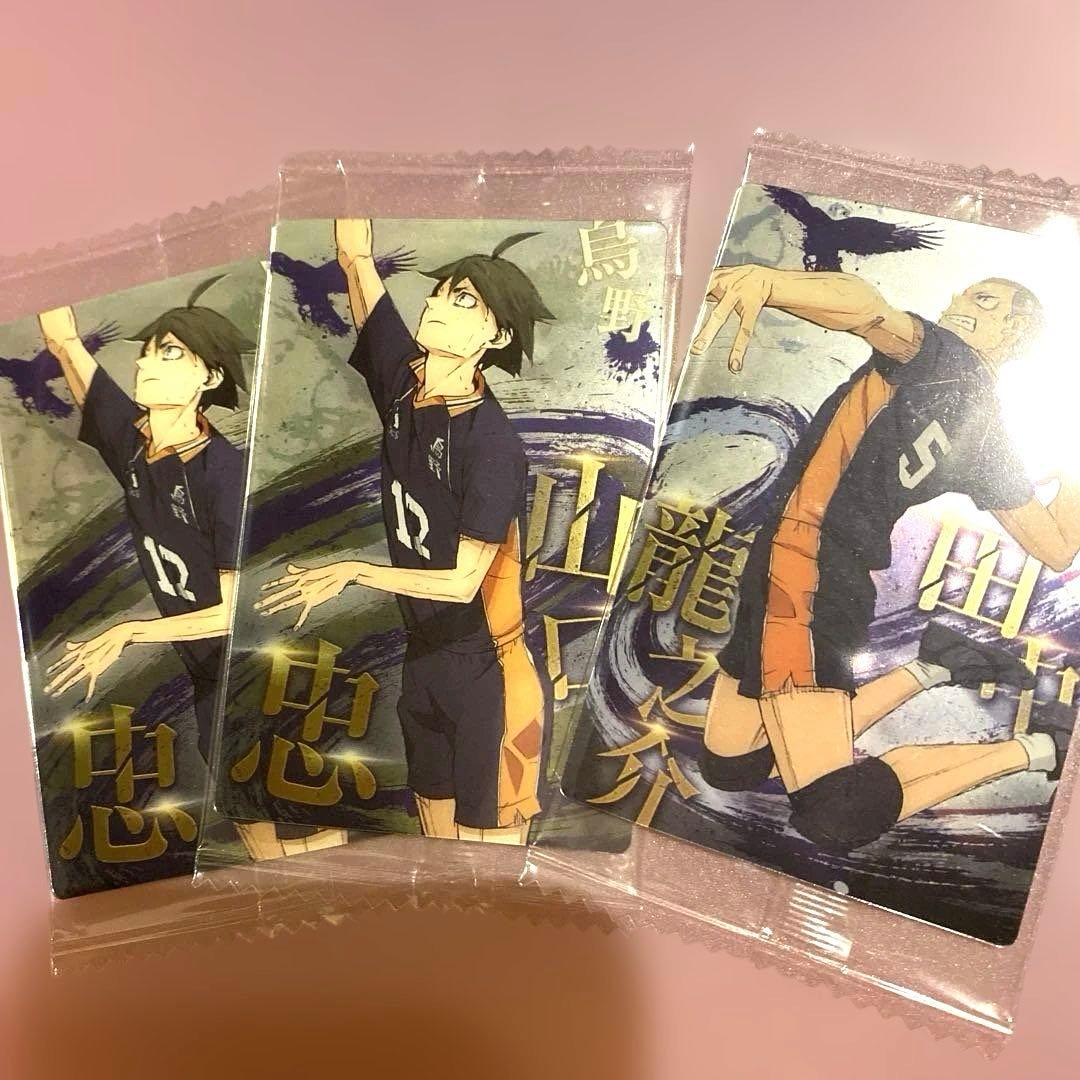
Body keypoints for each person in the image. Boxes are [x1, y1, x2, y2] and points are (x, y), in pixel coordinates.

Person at [688, 264, 1078, 853]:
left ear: (1014, 330)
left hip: (805, 571)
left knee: (834, 814)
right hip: (797, 564)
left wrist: (773, 283)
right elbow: (1057, 545)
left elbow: (867, 308)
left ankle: (1042, 748)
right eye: (963, 291)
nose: (959, 299)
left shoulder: (946, 360)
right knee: (731, 766)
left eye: (985, 300)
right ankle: (935, 665)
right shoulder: (983, 420)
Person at [257, 219, 554, 845]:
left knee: (491, 877)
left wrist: (353, 571)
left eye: (464, 300)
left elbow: (462, 582)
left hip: (488, 674)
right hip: (423, 663)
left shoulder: (493, 445)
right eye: (439, 293)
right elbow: (362, 278)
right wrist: (354, 249)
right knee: (438, 855)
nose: (438, 305)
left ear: (496, 335)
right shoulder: (405, 385)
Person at [39, 281, 343, 861]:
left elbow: (235, 612)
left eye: (171, 353)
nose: (146, 363)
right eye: (147, 353)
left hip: (269, 679)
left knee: (312, 848)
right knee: (259, 842)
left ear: (209, 377)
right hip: (212, 681)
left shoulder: (223, 477)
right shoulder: (135, 445)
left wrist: (128, 632)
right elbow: (64, 343)